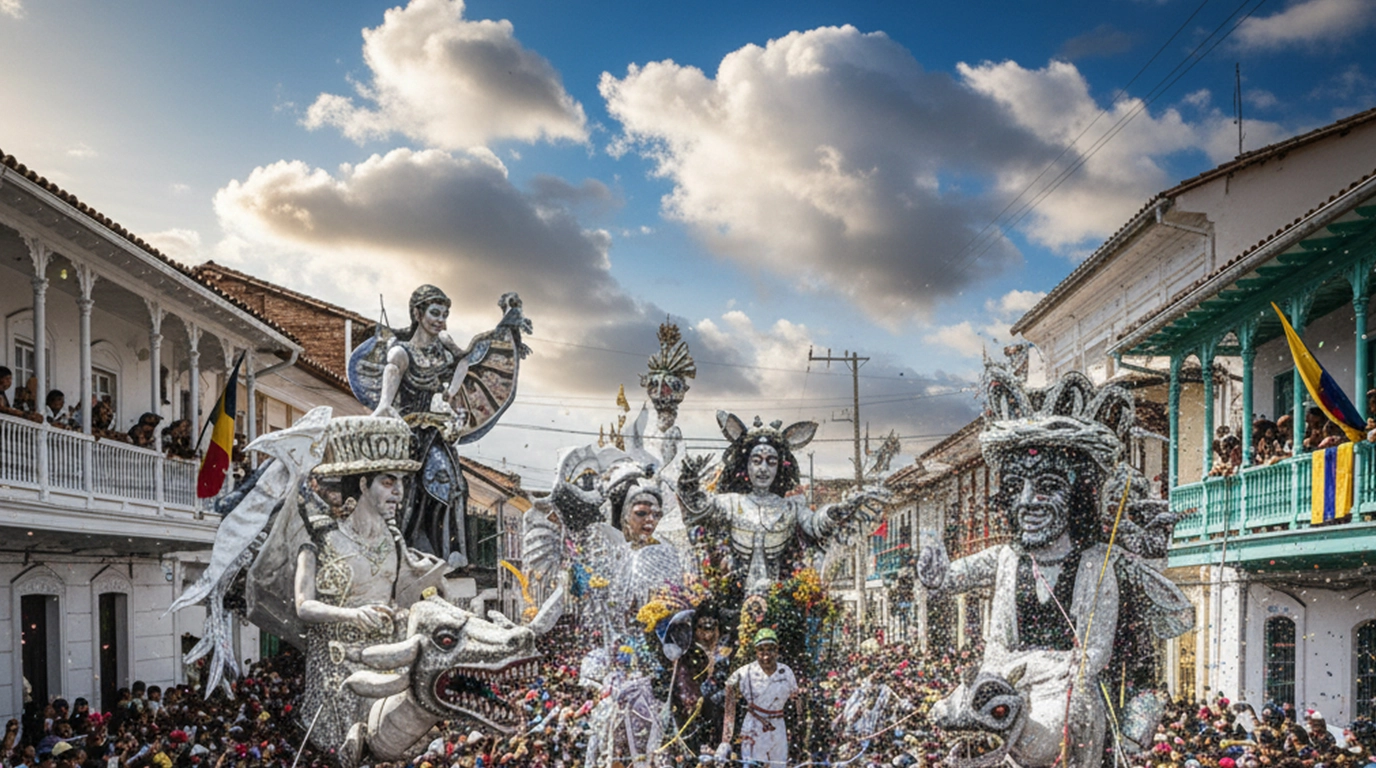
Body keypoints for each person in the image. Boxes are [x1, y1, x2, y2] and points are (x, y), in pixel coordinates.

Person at [918, 366, 1194, 767]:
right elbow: (948, 580)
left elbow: (1092, 656)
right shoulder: (1007, 558)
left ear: (1078, 495)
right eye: (1017, 488)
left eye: (1047, 486)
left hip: (1069, 693)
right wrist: (933, 574)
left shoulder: (1099, 564)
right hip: (1002, 678)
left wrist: (1022, 693)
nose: (1028, 501)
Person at [293, 416, 448, 754]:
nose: (399, 492)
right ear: (363, 484)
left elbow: (404, 593)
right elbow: (303, 606)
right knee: (340, 750)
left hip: (385, 664)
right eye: (389, 481)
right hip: (336, 668)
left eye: (403, 482)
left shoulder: (394, 541)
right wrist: (351, 615)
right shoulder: (320, 540)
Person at [718, 629, 802, 767]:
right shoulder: (746, 672)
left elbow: (796, 700)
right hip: (754, 726)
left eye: (770, 650)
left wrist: (798, 731)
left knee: (779, 764)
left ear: (777, 650)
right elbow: (729, 687)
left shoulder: (786, 672)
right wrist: (726, 736)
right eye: (761, 650)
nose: (766, 656)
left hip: (778, 725)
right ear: (756, 652)